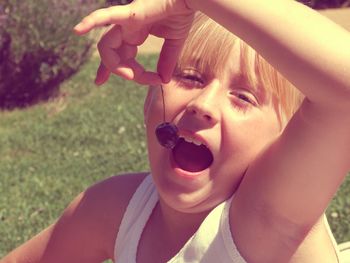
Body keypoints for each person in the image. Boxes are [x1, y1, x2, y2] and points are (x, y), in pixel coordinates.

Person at [2, 0, 350, 262]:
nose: (203, 104)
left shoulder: (265, 219)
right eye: (190, 77)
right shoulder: (117, 207)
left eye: (243, 97)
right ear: (149, 101)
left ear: (287, 142)